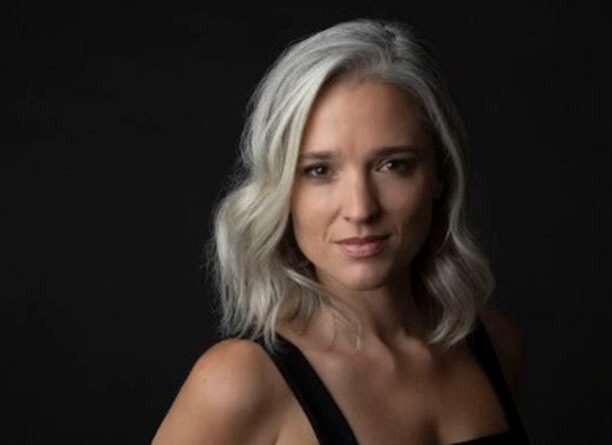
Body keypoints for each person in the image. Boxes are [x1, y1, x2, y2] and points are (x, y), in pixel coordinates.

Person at [152, 18, 530, 445]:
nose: (360, 209)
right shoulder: (240, 381)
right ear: (282, 191)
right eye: (319, 171)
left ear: (439, 175)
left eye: (393, 165)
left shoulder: (495, 344)